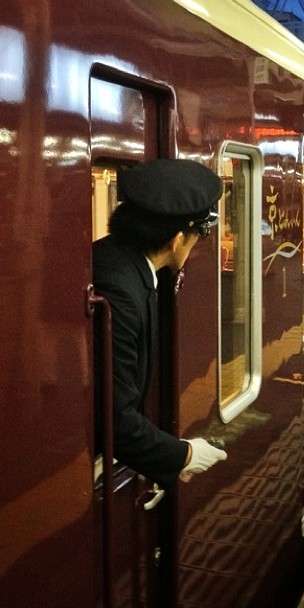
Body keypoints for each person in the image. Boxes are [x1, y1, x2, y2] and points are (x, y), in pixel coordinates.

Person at [93, 159, 227, 489]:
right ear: (176, 240)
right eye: (198, 236)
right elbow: (113, 418)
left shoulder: (113, 259)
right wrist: (183, 456)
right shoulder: (121, 293)